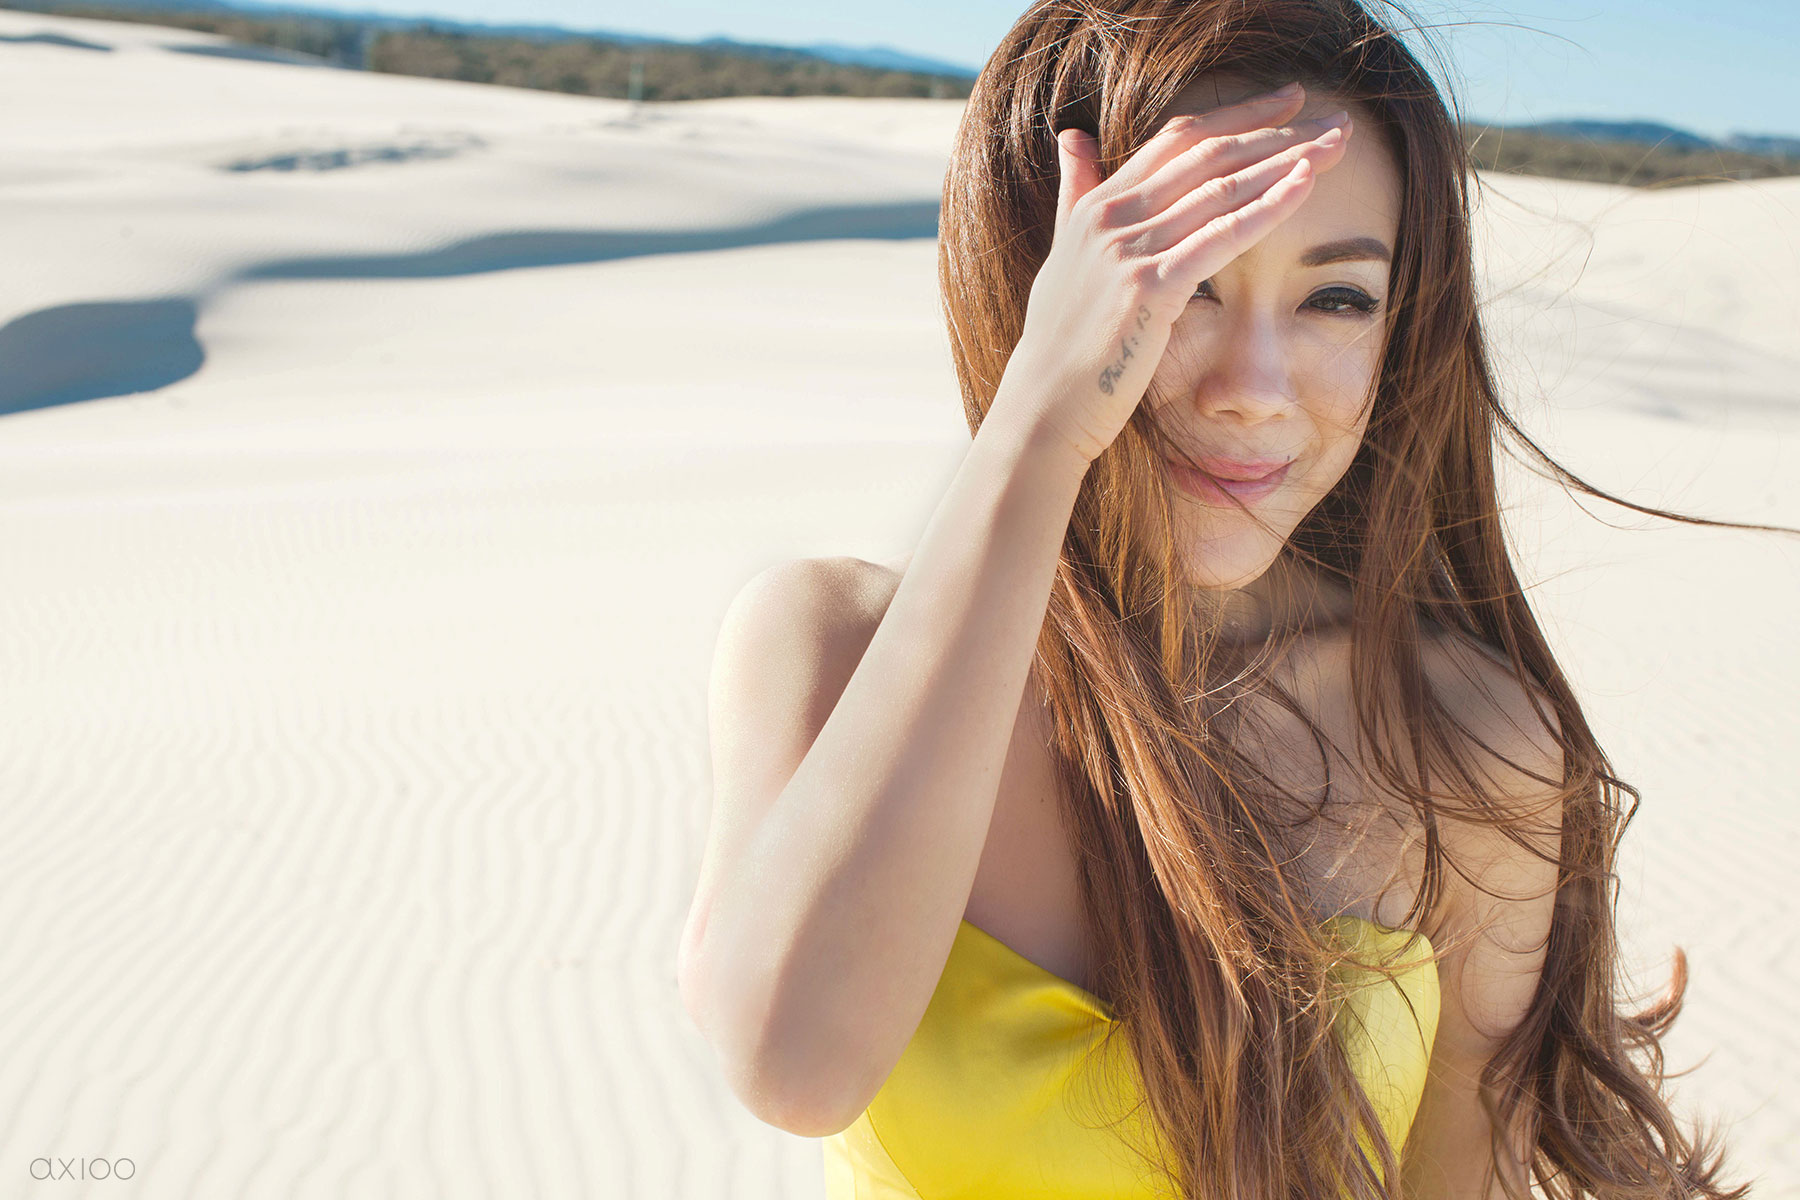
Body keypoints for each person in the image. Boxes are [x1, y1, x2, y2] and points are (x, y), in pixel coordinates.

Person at [678, 2, 1765, 1197]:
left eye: (1337, 298)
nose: (1254, 386)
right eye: (1179, 280)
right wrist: (1044, 420)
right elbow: (794, 1063)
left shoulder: (1467, 742)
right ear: (1039, 285)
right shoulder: (827, 647)